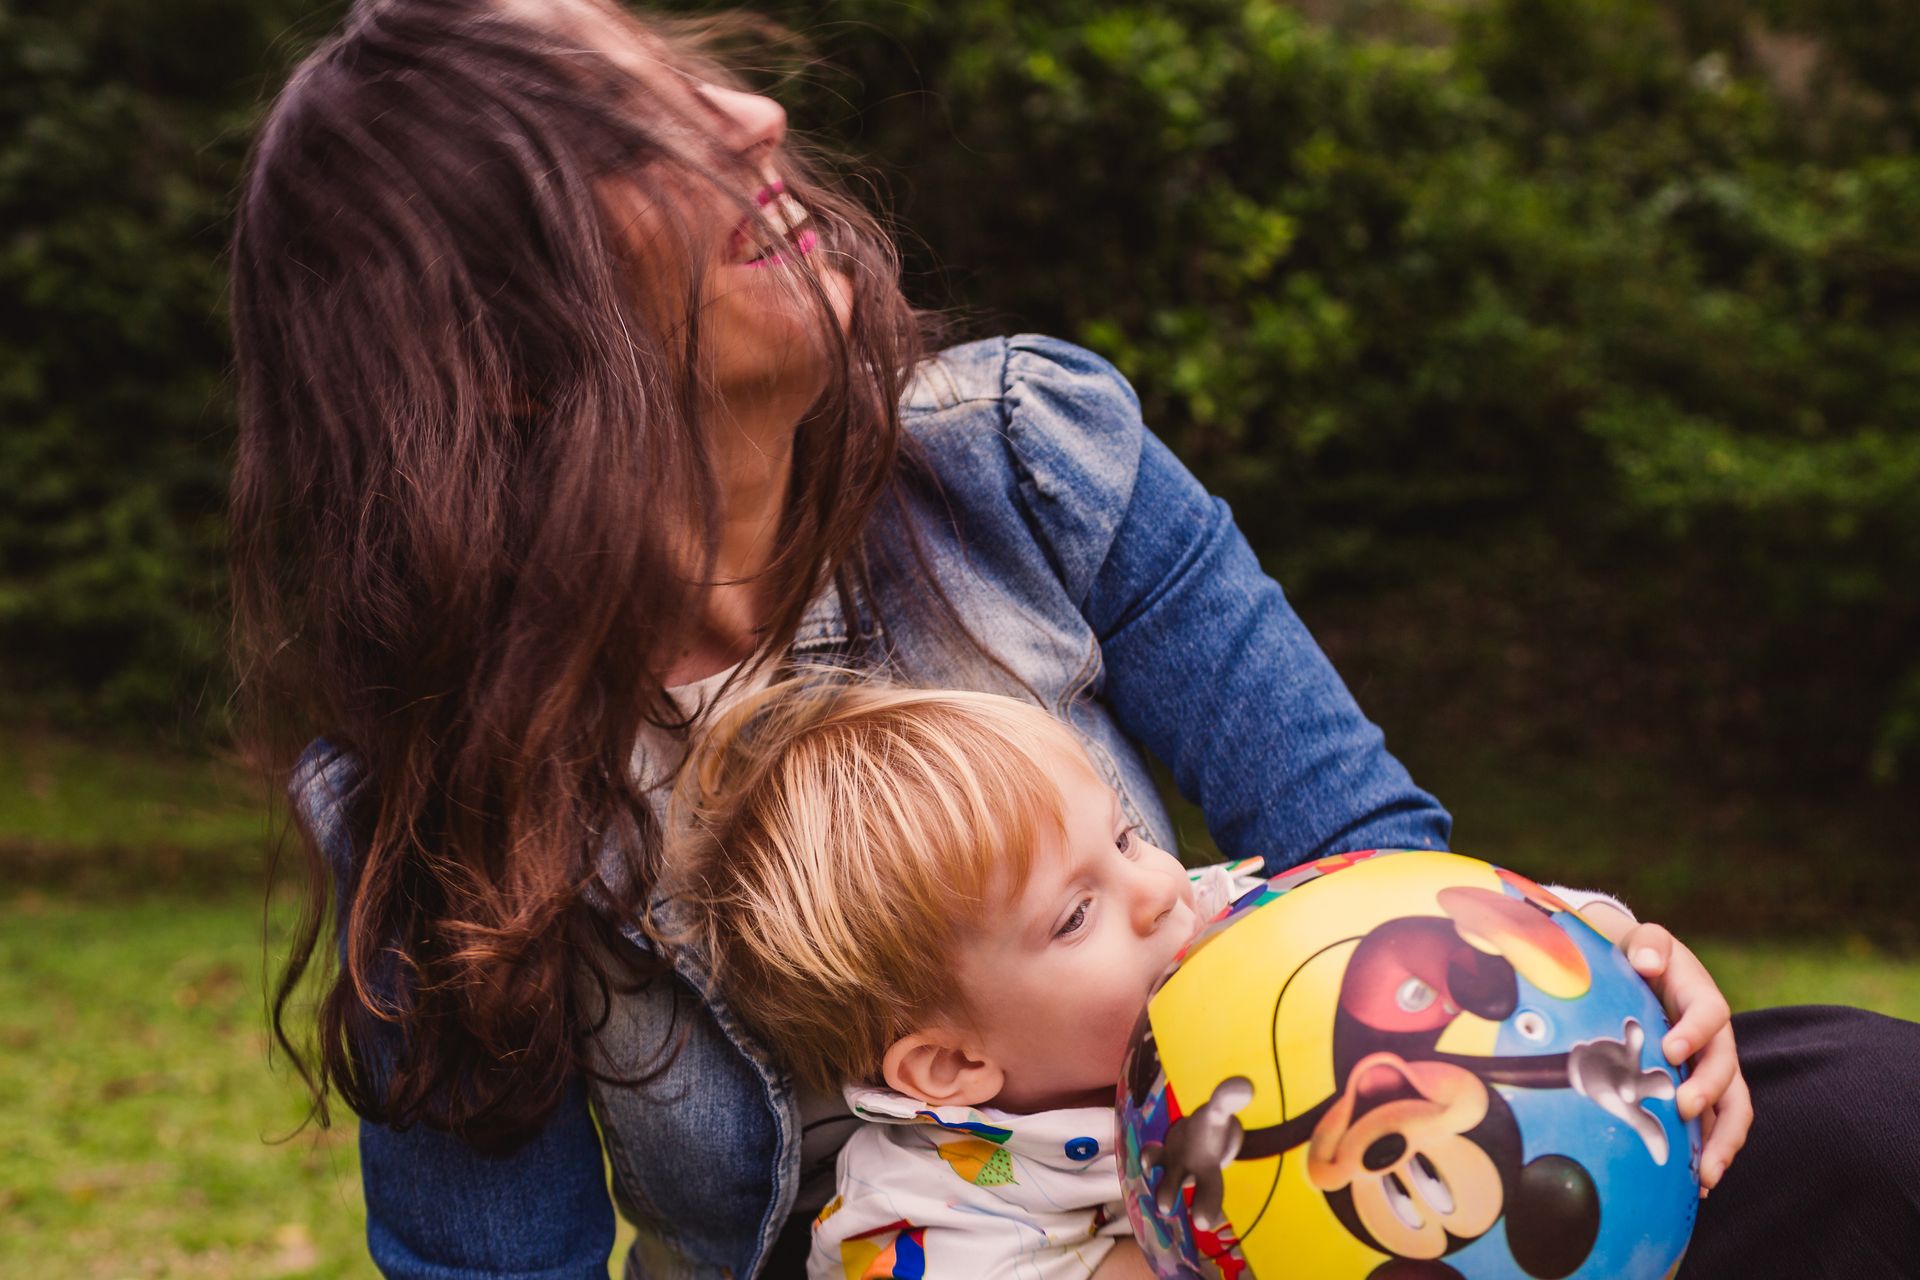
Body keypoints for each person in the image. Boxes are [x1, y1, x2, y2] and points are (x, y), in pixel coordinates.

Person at [227, 0, 1919, 1276]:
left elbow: (1365, 860)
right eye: (634, 137)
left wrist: (1566, 977)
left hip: (1321, 1182)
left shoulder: (1024, 459)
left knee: (1857, 1110)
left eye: (698, 79)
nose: (751, 115)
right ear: (498, 353)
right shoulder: (438, 798)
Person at [655, 678, 1735, 1279]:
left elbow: (1435, 924)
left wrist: (1614, 942)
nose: (1158, 887)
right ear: (950, 1065)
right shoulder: (923, 1219)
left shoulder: (1226, 941)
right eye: (1074, 912)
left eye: (1127, 836)